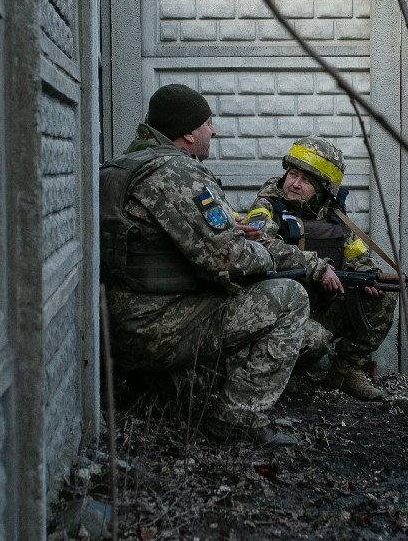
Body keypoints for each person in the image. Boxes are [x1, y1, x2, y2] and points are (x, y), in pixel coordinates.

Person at [99, 84, 312, 448]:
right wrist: (261, 252)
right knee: (289, 298)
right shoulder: (176, 174)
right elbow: (232, 260)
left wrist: (228, 233)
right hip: (151, 327)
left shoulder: (122, 166)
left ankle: (163, 386)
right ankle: (237, 421)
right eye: (208, 124)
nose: (213, 131)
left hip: (114, 324)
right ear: (187, 132)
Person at [245, 136, 398, 401]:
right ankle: (282, 374)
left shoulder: (333, 216)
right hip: (278, 310)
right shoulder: (267, 206)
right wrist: (316, 267)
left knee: (383, 295)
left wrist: (369, 277)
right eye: (293, 174)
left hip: (320, 305)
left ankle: (345, 370)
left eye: (306, 181)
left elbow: (357, 255)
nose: (294, 184)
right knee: (315, 339)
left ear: (323, 188)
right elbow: (261, 245)